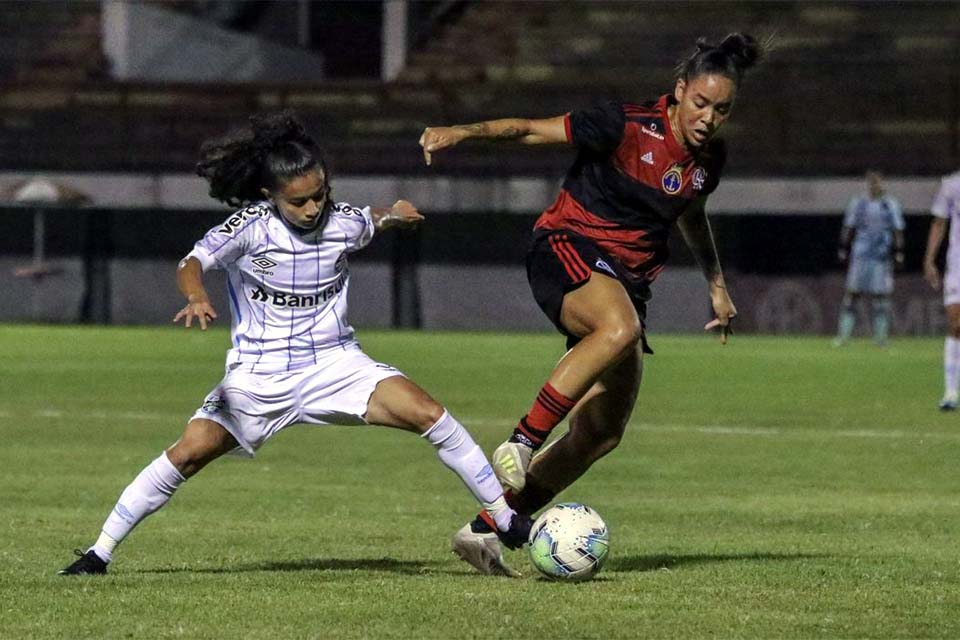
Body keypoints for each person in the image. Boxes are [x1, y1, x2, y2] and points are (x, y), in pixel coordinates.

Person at [59, 111, 530, 576]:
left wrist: (395, 215)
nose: (311, 209)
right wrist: (196, 294)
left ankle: (506, 520)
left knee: (430, 414)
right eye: (298, 201)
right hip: (258, 376)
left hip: (336, 364)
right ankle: (99, 553)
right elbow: (192, 262)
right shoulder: (250, 228)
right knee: (188, 452)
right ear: (270, 197)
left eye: (319, 196)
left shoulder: (340, 223)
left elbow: (370, 218)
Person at [420, 33, 762, 575]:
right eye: (700, 103)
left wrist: (715, 283)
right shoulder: (624, 125)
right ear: (679, 91)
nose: (709, 117)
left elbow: (690, 211)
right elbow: (530, 130)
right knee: (618, 327)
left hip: (625, 283)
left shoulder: (707, 161)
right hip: (565, 247)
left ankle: (486, 529)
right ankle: (521, 442)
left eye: (722, 109)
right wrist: (462, 131)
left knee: (601, 432)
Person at [833, 171, 905, 347]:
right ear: (867, 185)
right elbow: (849, 226)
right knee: (852, 294)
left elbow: (897, 230)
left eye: (877, 183)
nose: (874, 186)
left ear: (882, 184)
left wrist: (899, 251)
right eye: (871, 183)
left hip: (881, 257)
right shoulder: (859, 203)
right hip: (860, 255)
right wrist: (843, 247)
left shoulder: (890, 204)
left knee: (881, 297)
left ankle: (880, 338)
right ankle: (843, 337)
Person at [923, 168, 960, 411]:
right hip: (957, 264)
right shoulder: (951, 184)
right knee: (955, 324)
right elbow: (939, 223)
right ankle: (950, 391)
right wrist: (929, 259)